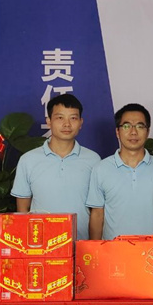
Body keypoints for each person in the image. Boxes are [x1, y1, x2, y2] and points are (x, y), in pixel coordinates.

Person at [11, 94, 100, 240]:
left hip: (81, 243)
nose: (67, 124)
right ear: (49, 121)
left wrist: (94, 245)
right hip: (40, 244)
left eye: (73, 118)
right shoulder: (28, 160)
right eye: (60, 118)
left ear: (81, 122)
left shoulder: (93, 160)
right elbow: (22, 209)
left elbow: (97, 210)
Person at [86, 103, 153, 240]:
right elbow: (97, 215)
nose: (133, 132)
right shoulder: (101, 169)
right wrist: (95, 250)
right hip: (113, 250)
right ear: (117, 132)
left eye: (140, 126)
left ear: (147, 132)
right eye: (127, 126)